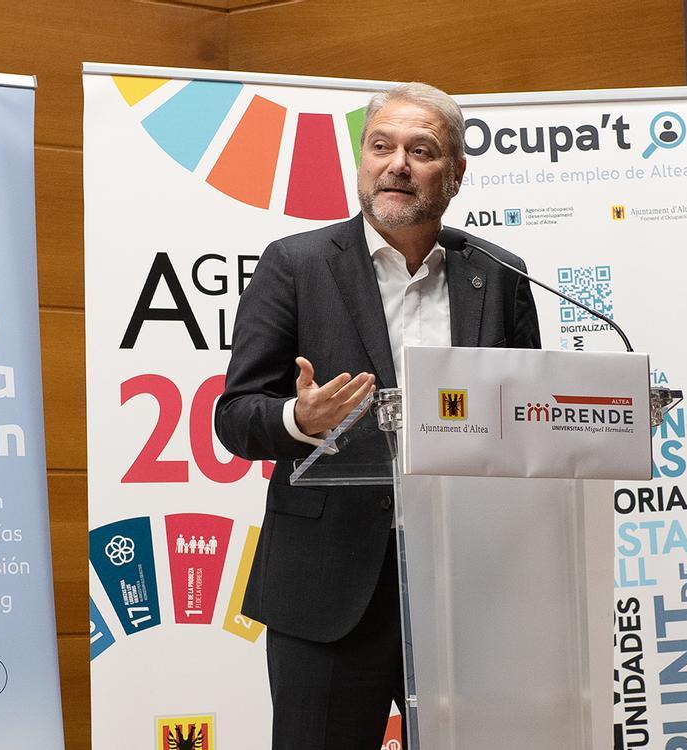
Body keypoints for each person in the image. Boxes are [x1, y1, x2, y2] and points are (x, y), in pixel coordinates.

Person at [215, 82, 541, 749]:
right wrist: (299, 419)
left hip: (466, 587)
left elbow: (527, 420)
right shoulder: (297, 266)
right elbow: (236, 416)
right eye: (380, 146)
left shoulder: (499, 273)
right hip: (329, 586)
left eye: (421, 150)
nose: (396, 164)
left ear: (454, 174)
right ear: (361, 160)